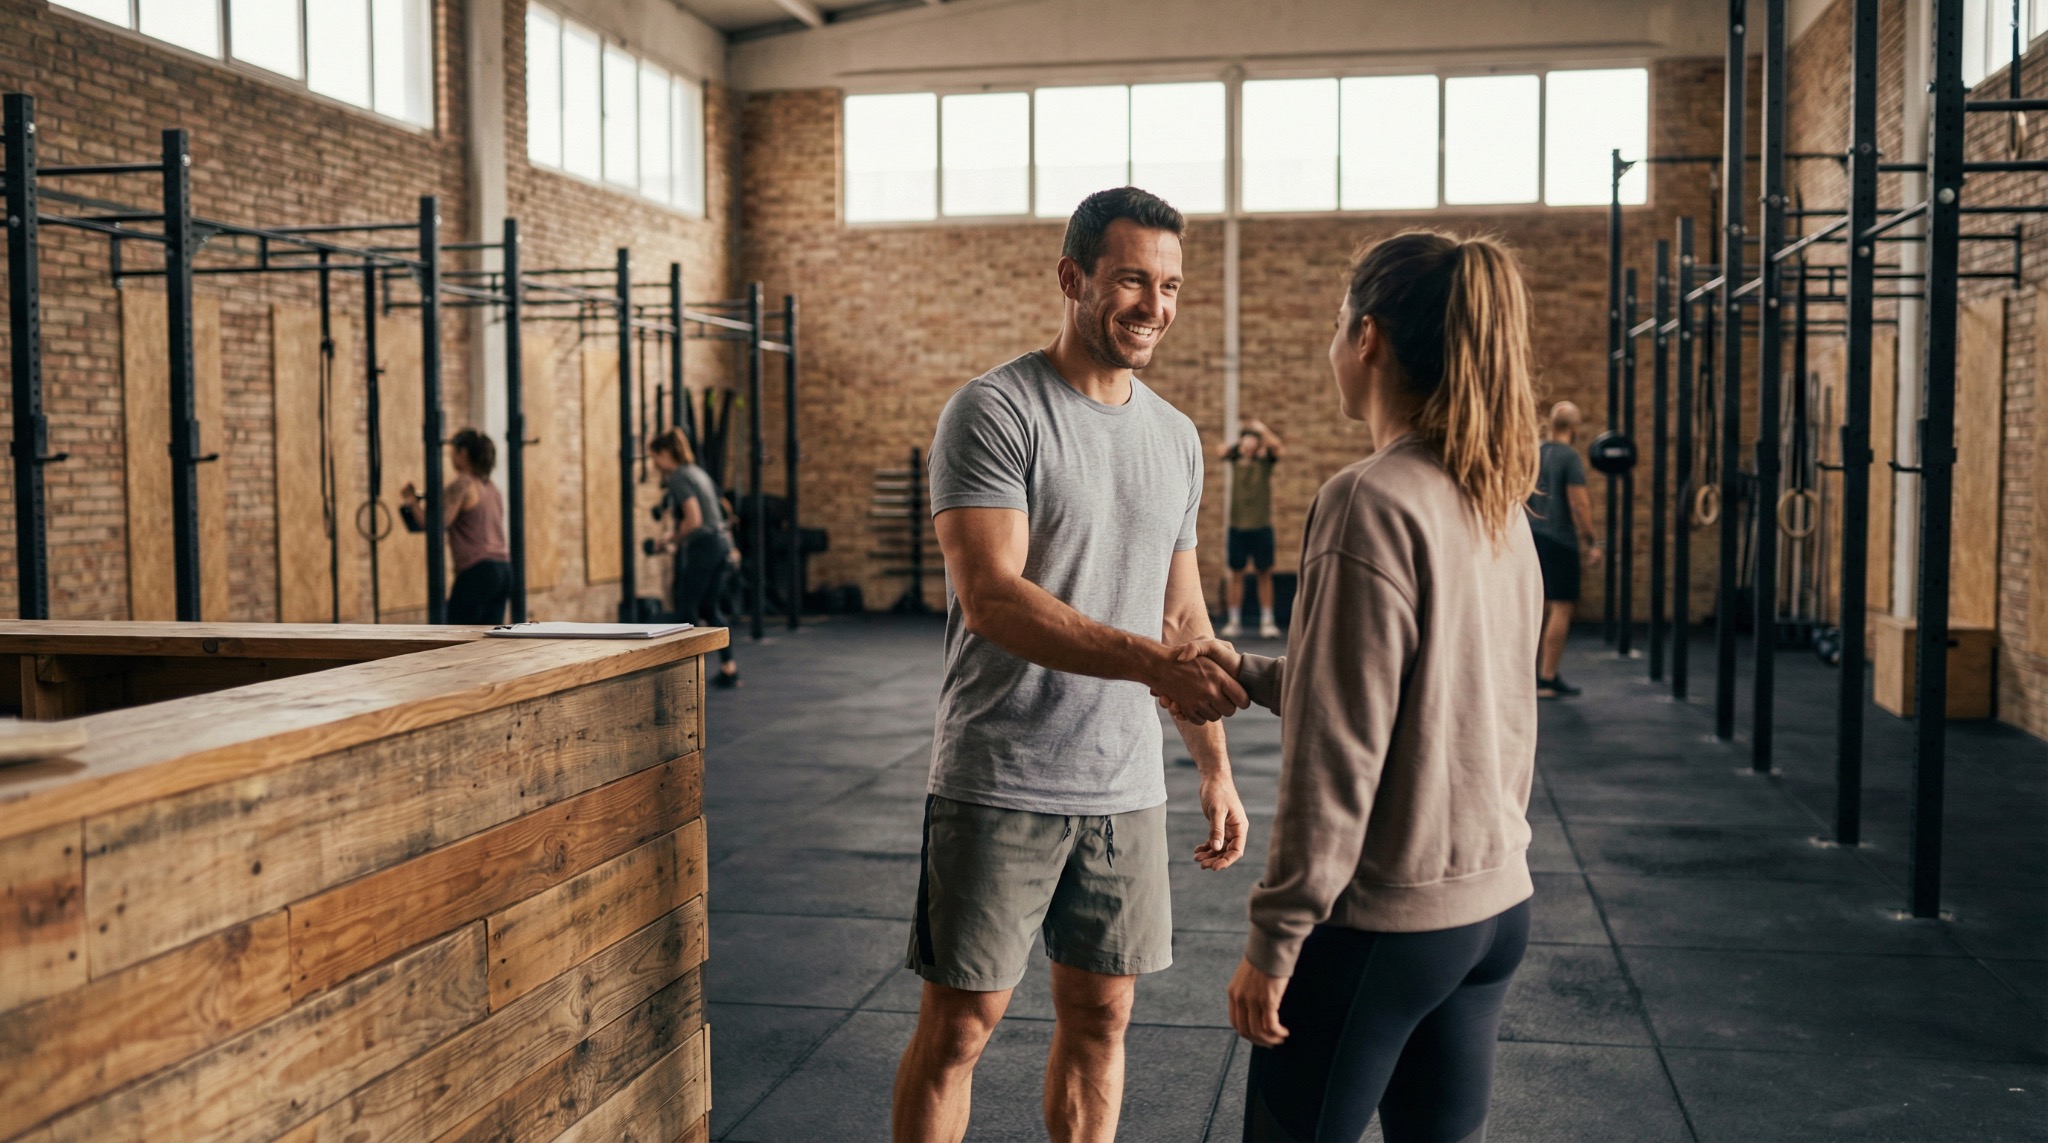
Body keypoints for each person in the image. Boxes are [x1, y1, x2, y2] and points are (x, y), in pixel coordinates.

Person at [891, 187, 1252, 1143]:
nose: (1154, 305)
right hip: (1000, 774)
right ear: (1073, 278)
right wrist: (1153, 664)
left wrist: (1213, 766)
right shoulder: (995, 411)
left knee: (1103, 1016)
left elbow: (1183, 615)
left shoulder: (1175, 438)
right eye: (1132, 278)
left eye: (1170, 285)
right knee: (964, 1025)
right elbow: (993, 596)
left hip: (1123, 785)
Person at [1167, 231, 1543, 1143]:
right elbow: (1422, 691)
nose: (1331, 348)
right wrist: (1252, 675)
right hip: (1492, 913)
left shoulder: (1366, 498)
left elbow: (1336, 756)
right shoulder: (1494, 496)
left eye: (1337, 327)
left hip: (1385, 922)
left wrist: (1276, 936)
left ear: (1367, 337)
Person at [649, 428, 739, 688]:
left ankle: (682, 680)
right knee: (710, 608)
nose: (654, 464)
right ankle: (729, 668)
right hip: (721, 543)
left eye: (654, 457)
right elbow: (724, 508)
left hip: (707, 545)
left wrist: (671, 539)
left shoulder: (678, 476)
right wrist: (730, 545)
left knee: (686, 609)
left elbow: (694, 520)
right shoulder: (698, 472)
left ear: (665, 454)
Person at [1527, 401, 1601, 698]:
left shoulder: (1536, 452)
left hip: (1532, 538)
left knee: (1537, 606)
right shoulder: (1570, 457)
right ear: (1574, 428)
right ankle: (1547, 678)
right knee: (1561, 606)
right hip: (1559, 540)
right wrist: (1591, 541)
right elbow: (1578, 503)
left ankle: (1525, 677)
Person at [401, 428, 511, 625]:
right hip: (503, 571)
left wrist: (412, 502)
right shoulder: (491, 487)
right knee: (489, 640)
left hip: (478, 571)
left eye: (453, 451)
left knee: (456, 636)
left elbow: (434, 524)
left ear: (464, 453)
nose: (451, 456)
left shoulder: (463, 483)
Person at [1219, 420, 1284, 639]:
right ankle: (1234, 620)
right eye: (1245, 442)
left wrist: (1262, 429)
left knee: (1264, 574)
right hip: (1237, 527)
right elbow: (1221, 450)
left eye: (1252, 442)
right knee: (1236, 574)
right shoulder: (1234, 459)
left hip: (1261, 527)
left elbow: (1278, 448)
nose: (1248, 446)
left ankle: (1267, 621)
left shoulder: (1265, 462)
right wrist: (1241, 439)